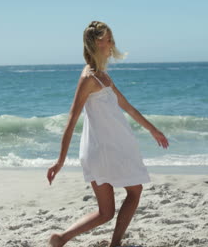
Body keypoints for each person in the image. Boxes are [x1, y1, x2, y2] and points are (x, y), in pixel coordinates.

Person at [47, 21, 169, 247]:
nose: (111, 43)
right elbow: (72, 120)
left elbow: (128, 106)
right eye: (106, 39)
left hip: (104, 150)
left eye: (111, 38)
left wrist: (153, 130)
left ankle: (61, 238)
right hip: (105, 150)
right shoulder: (89, 78)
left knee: (106, 212)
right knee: (135, 191)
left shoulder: (102, 76)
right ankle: (115, 245)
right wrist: (60, 161)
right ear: (95, 43)